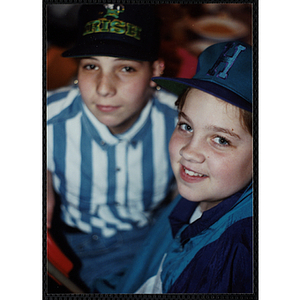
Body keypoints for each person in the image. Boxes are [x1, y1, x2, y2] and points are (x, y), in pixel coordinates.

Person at [47, 3, 178, 293]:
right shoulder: (48, 118)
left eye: (126, 68)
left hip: (152, 238)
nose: (104, 88)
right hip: (77, 248)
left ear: (155, 72)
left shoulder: (179, 122)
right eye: (91, 66)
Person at [129, 41, 253, 293]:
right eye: (186, 126)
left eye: (221, 140)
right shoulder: (204, 190)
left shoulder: (227, 259)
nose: (189, 151)